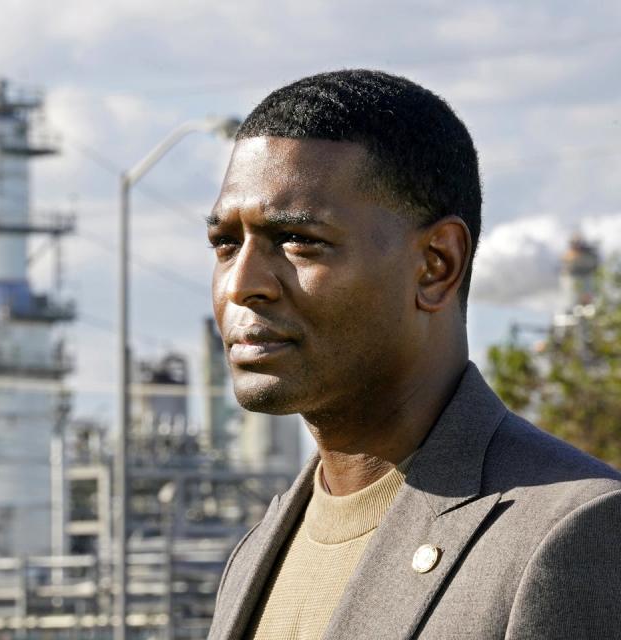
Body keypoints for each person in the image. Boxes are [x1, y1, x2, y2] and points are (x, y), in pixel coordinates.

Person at [205, 69, 621, 640]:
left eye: (300, 241)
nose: (241, 284)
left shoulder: (573, 530)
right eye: (225, 243)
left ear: (437, 265)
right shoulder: (260, 550)